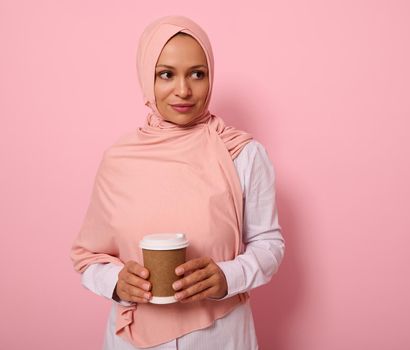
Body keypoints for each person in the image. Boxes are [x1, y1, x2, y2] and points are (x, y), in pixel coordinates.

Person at [70, 15, 285, 349]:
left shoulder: (242, 153)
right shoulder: (119, 159)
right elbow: (88, 257)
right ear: (147, 78)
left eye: (197, 74)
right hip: (133, 339)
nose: (183, 90)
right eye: (166, 74)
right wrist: (115, 282)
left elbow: (269, 243)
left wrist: (228, 277)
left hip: (220, 335)